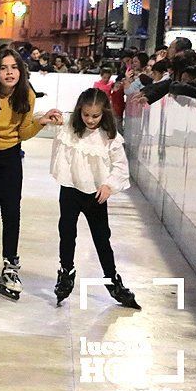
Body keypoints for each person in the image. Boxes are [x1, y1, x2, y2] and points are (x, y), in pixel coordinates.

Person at [0, 50, 62, 302]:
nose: (9, 72)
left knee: (12, 212)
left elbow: (24, 133)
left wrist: (42, 122)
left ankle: (10, 268)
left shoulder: (27, 95)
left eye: (14, 67)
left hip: (11, 156)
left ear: (21, 71)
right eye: (3, 68)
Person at [51, 88, 140, 309]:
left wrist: (109, 186)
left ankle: (112, 281)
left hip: (96, 195)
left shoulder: (110, 138)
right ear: (79, 111)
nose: (90, 120)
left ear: (104, 114)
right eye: (86, 115)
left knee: (102, 238)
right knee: (67, 232)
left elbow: (120, 167)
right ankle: (66, 272)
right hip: (70, 190)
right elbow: (51, 127)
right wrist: (55, 119)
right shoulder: (70, 130)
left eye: (95, 116)